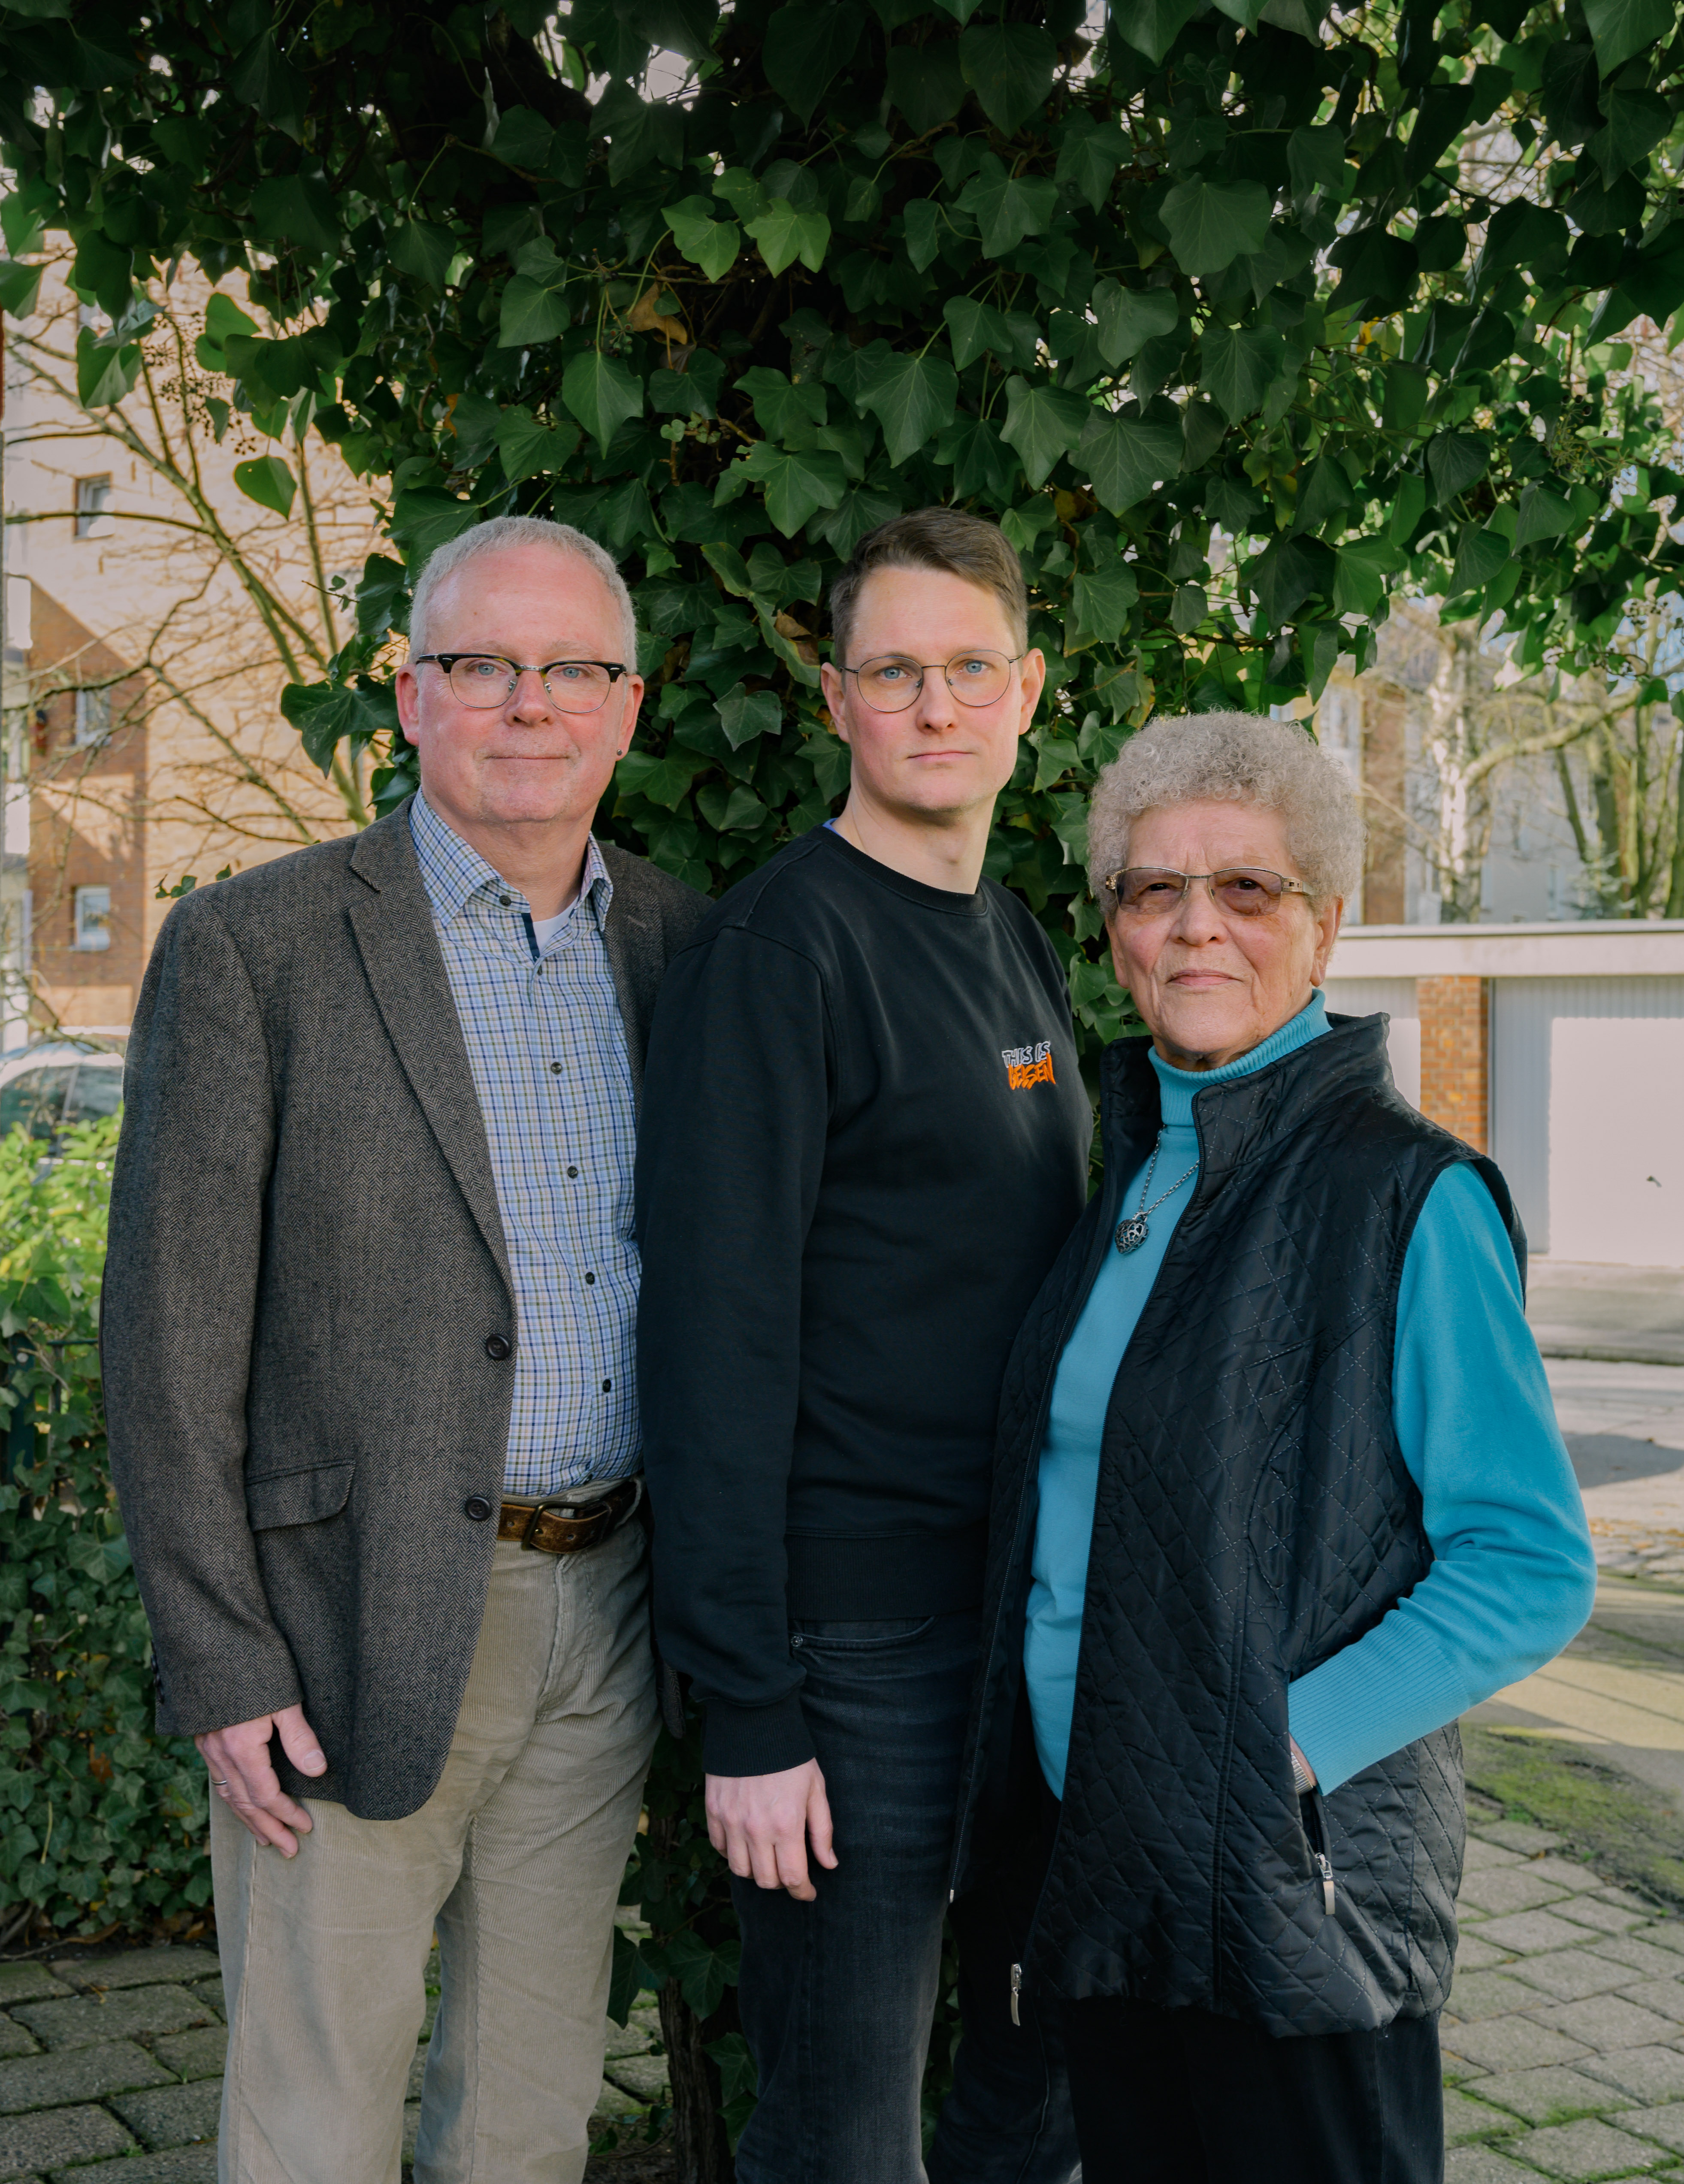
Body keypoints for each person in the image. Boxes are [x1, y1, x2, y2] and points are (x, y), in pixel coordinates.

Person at [100, 516, 709, 2184]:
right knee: (314, 2123)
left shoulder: (679, 944)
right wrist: (221, 1659)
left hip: (608, 1609)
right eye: (481, 664)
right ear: (411, 694)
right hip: (342, 1623)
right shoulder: (259, 946)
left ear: (627, 704)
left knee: (526, 2117)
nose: (530, 701)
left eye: (571, 666)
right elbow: (164, 1341)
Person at [949, 709, 1598, 2184]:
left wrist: (1283, 1754)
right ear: (1112, 925)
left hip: (1283, 1886)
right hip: (1100, 1858)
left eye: (1248, 889)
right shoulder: (1128, 1176)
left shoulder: (1405, 1194)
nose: (1196, 928)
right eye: (1152, 890)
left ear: (1326, 924)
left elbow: (1532, 1562)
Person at [636, 509, 1086, 2183]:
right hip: (854, 1655)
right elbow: (708, 1342)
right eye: (893, 669)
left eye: (969, 666)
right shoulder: (780, 953)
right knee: (841, 2140)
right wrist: (750, 1703)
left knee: (1026, 2099)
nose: (934, 702)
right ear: (833, 699)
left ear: (1027, 689)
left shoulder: (1013, 938)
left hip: (1020, 1630)